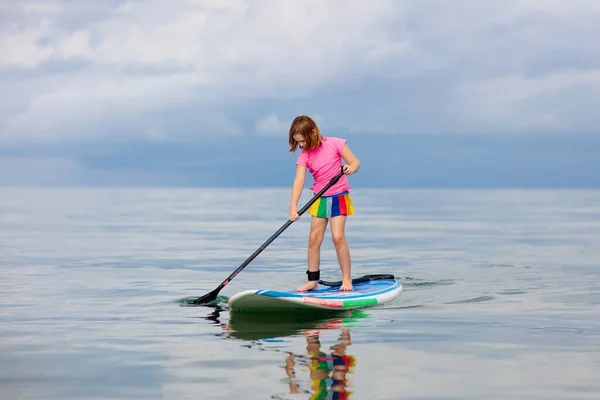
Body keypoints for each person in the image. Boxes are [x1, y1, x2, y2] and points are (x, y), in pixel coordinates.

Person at [288, 115, 360, 292]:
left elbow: (355, 161)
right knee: (314, 239)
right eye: (298, 143)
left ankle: (346, 280)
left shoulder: (335, 143)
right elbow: (299, 180)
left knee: (337, 237)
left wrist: (350, 168)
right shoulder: (305, 156)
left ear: (313, 132)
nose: (302, 146)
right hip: (319, 199)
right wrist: (293, 206)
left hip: (339, 196)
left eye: (303, 141)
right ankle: (312, 281)